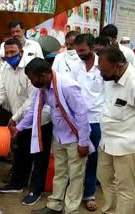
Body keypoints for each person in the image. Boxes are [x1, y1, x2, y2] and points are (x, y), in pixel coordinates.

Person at [0, 39, 52, 206]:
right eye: (7, 53)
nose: (10, 56)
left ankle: (36, 190)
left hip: (39, 120)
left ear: (21, 52)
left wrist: (15, 117)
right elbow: (1, 93)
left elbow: (32, 100)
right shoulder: (5, 68)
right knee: (21, 153)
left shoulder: (30, 69)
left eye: (13, 52)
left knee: (39, 156)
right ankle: (17, 184)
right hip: (19, 120)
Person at [14, 58, 94, 214]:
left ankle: (71, 210)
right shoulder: (43, 88)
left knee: (76, 176)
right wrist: (19, 127)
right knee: (60, 173)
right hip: (58, 136)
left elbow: (82, 114)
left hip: (75, 138)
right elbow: (33, 110)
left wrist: (83, 143)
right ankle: (55, 205)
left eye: (32, 78)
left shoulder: (67, 86)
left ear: (43, 75)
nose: (31, 82)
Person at [97, 47, 135, 214]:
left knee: (125, 188)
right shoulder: (111, 78)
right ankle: (110, 210)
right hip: (106, 142)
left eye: (104, 70)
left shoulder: (133, 82)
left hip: (126, 146)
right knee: (104, 178)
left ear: (119, 66)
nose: (101, 74)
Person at [70, 34, 104, 212]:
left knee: (93, 158)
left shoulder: (103, 66)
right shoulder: (75, 66)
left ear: (92, 48)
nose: (80, 54)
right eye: (77, 51)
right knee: (75, 157)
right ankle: (73, 193)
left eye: (82, 50)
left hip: (96, 120)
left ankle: (89, 194)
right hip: (77, 120)